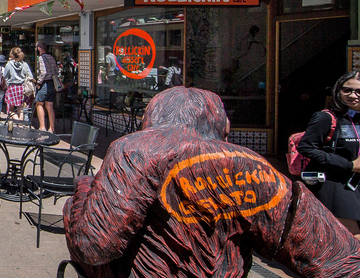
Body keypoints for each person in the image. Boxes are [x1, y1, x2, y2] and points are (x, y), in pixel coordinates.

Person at [64, 87, 360, 277]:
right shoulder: (251, 165)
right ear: (222, 125)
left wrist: (84, 191)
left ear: (149, 119)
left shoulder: (135, 150)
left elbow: (93, 246)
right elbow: (336, 256)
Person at [298, 71, 360, 240]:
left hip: (356, 183)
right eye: (347, 90)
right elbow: (306, 147)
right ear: (337, 91)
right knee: (353, 237)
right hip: (335, 182)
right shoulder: (326, 117)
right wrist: (349, 165)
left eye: (358, 92)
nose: (353, 95)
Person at [4, 47, 33, 121]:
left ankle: (18, 121)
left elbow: (5, 76)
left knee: (10, 109)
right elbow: (31, 76)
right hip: (22, 87)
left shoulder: (9, 64)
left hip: (12, 87)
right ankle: (20, 124)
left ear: (12, 55)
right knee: (20, 108)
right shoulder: (25, 64)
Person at [35, 41, 58, 133]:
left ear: (39, 48)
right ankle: (51, 128)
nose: (36, 49)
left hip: (44, 83)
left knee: (39, 104)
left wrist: (39, 83)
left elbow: (43, 72)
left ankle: (42, 127)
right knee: (50, 105)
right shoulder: (51, 57)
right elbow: (56, 71)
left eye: (36, 47)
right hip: (52, 83)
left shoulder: (41, 58)